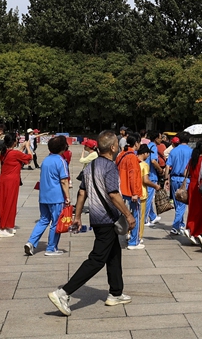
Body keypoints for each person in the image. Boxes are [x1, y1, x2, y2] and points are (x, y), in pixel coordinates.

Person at [48, 130, 136, 316]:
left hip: (96, 219)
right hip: (107, 219)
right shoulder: (110, 167)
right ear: (113, 147)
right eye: (117, 145)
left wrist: (77, 216)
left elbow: (82, 192)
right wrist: (128, 214)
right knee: (97, 259)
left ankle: (115, 292)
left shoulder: (90, 166)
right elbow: (113, 194)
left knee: (113, 254)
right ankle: (63, 292)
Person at [25, 135, 71, 256]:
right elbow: (64, 180)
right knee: (56, 222)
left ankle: (31, 242)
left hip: (43, 196)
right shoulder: (61, 161)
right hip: (56, 197)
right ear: (63, 148)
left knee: (43, 220)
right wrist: (67, 197)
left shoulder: (46, 160)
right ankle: (51, 248)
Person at [0, 134, 31, 238]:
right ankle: (3, 227)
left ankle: (6, 225)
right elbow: (29, 158)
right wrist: (28, 147)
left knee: (2, 202)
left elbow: (14, 154)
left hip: (3, 180)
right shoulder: (15, 153)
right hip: (12, 181)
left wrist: (21, 147)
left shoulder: (4, 152)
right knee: (10, 203)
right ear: (14, 142)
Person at [116, 141, 145, 250]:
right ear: (136, 143)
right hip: (130, 191)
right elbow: (133, 176)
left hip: (122, 190)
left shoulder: (121, 154)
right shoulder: (132, 157)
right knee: (135, 215)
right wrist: (135, 193)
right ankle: (134, 241)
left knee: (124, 214)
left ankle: (129, 236)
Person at [166, 133, 193, 235]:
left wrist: (165, 178)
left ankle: (180, 224)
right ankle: (176, 225)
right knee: (182, 204)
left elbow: (168, 166)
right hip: (185, 179)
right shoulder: (191, 151)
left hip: (174, 178)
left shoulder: (174, 151)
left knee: (177, 202)